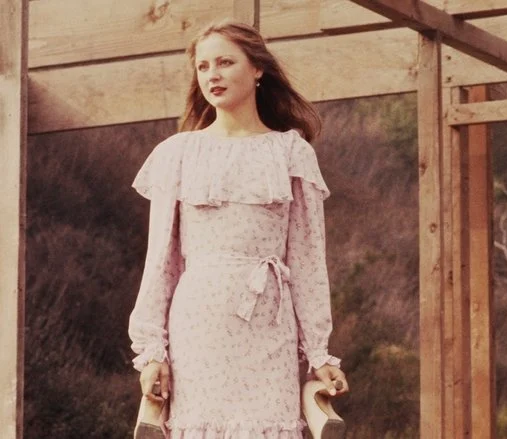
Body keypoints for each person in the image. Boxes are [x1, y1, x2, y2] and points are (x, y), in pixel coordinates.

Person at [128, 20, 348, 438]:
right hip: (198, 327)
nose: (212, 75)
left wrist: (319, 353)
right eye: (203, 66)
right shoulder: (178, 153)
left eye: (225, 62)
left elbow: (307, 261)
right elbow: (160, 261)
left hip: (269, 325)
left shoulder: (291, 151)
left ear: (257, 68)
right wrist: (152, 350)